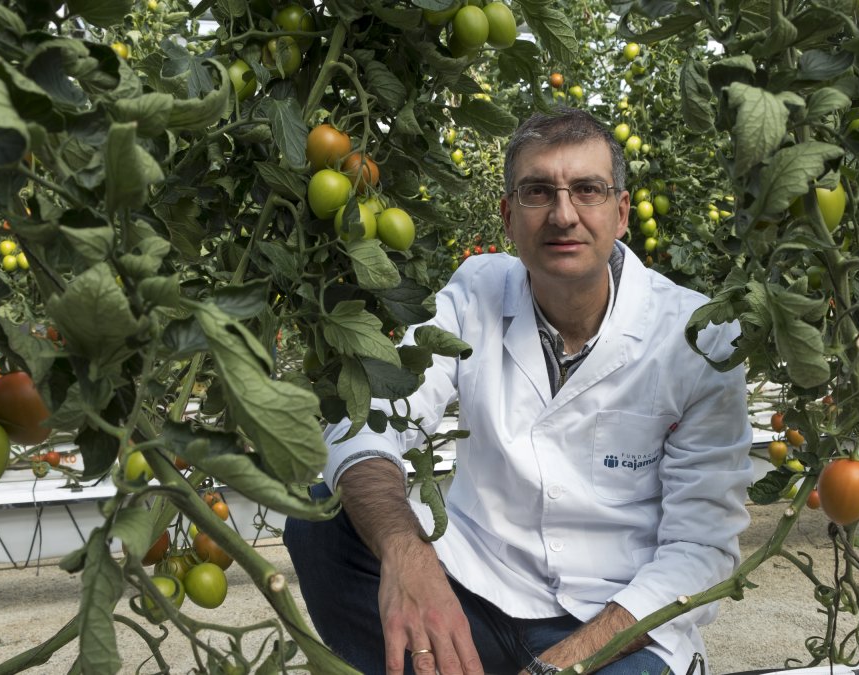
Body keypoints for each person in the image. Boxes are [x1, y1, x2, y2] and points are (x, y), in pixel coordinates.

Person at [285, 106, 753, 675]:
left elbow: (701, 548)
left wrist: (561, 664)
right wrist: (408, 555)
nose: (563, 215)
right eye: (537, 192)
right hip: (471, 594)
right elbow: (369, 416)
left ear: (622, 212)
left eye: (587, 190)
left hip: (612, 621)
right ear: (508, 216)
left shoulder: (698, 337)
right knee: (321, 515)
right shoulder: (473, 292)